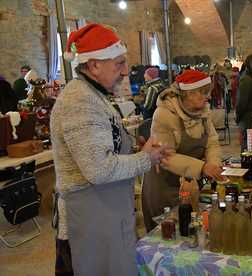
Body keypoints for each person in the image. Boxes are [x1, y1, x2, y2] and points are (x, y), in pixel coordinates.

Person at [50, 23, 170, 276]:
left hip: (103, 215)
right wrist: (144, 159)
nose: (126, 71)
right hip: (90, 221)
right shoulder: (80, 101)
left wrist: (132, 148)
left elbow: (104, 144)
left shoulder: (93, 94)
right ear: (94, 65)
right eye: (119, 64)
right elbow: (98, 169)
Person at [143, 69, 222, 231]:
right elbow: (164, 157)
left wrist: (213, 164)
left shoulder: (203, 112)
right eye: (202, 93)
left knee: (190, 229)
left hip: (189, 183)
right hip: (164, 187)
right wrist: (201, 167)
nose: (207, 97)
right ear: (188, 94)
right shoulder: (164, 114)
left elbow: (212, 142)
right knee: (168, 235)